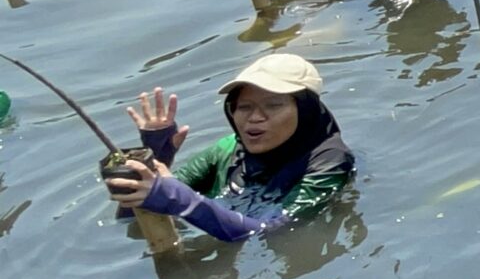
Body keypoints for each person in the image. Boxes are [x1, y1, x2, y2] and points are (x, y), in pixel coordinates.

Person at [104, 55, 353, 242]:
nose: (255, 117)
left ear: (306, 111)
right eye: (244, 107)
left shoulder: (330, 162)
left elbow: (269, 231)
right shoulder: (227, 149)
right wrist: (153, 161)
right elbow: (130, 221)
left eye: (273, 105)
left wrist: (176, 198)